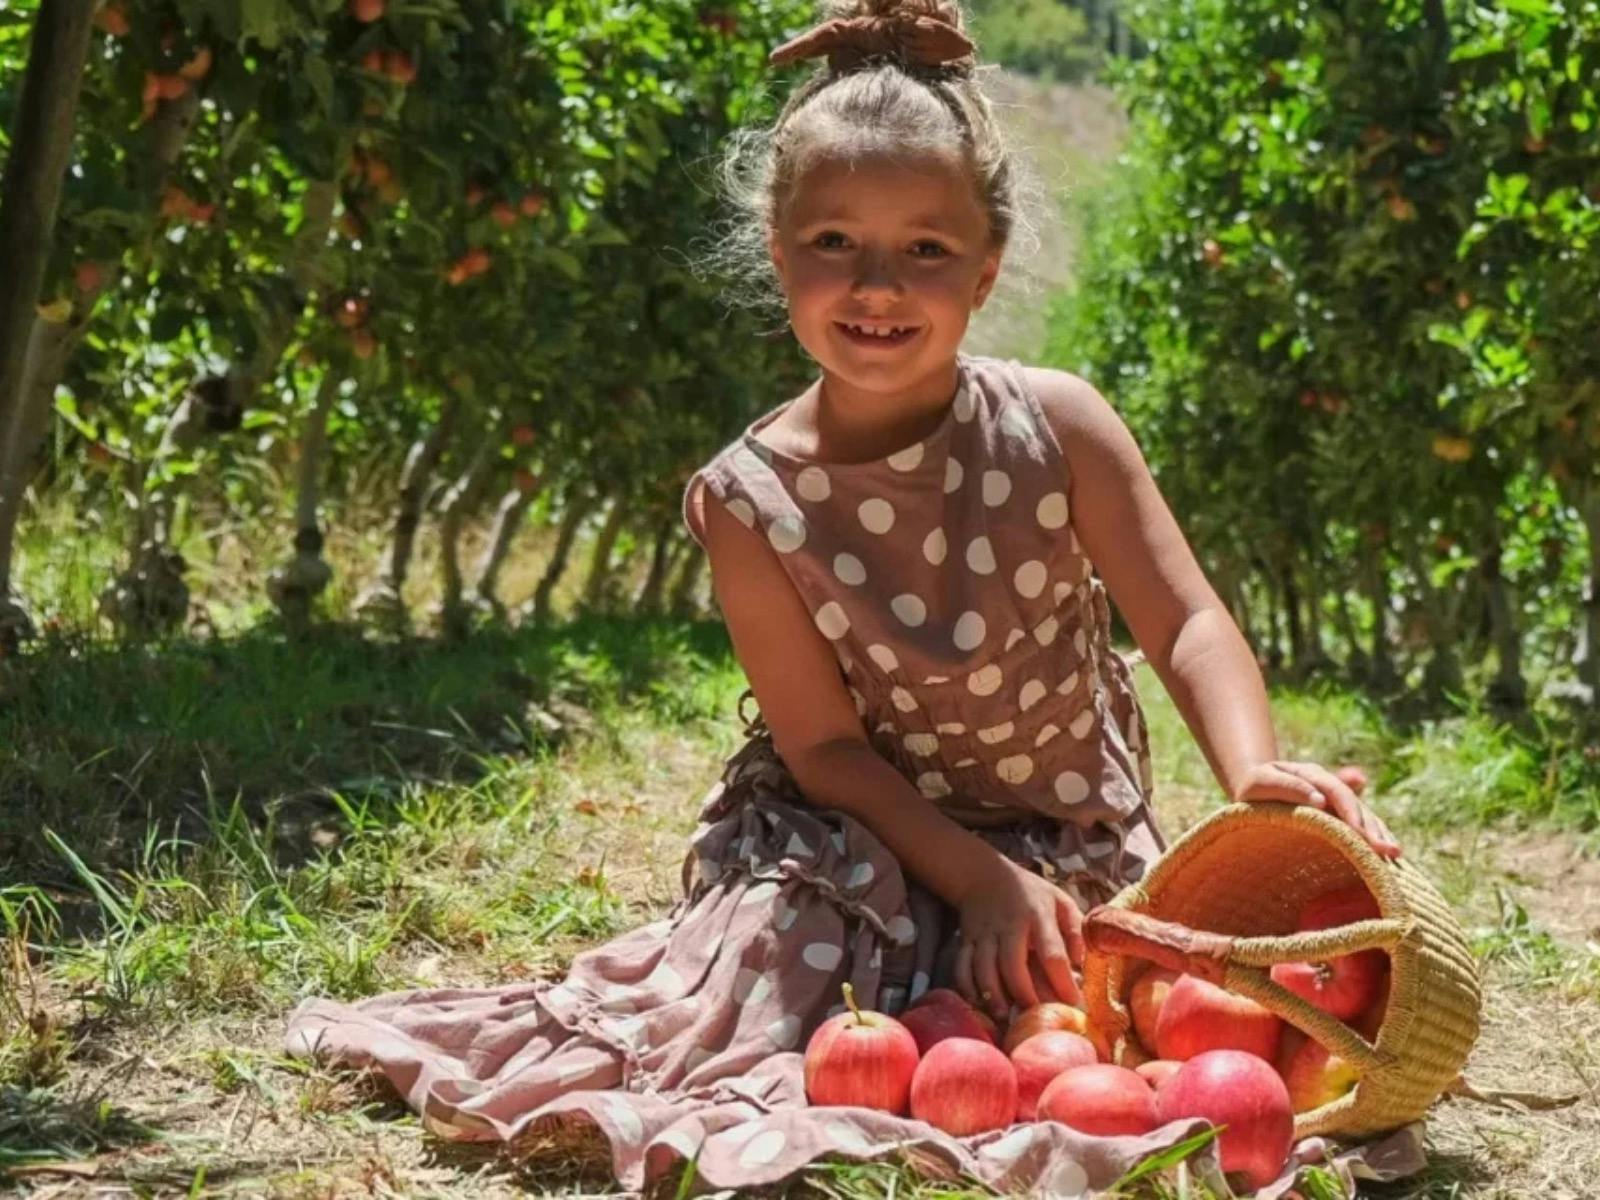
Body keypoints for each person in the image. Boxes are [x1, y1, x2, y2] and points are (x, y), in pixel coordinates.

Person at [287, 2, 1400, 1192]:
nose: (877, 285)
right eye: (832, 242)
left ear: (986, 266)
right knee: (787, 976)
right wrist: (969, 878)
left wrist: (1250, 777)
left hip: (1053, 828)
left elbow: (1182, 620)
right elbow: (821, 746)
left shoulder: (1058, 426)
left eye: (925, 250)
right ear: (776, 253)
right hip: (847, 832)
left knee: (1102, 1002)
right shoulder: (750, 500)